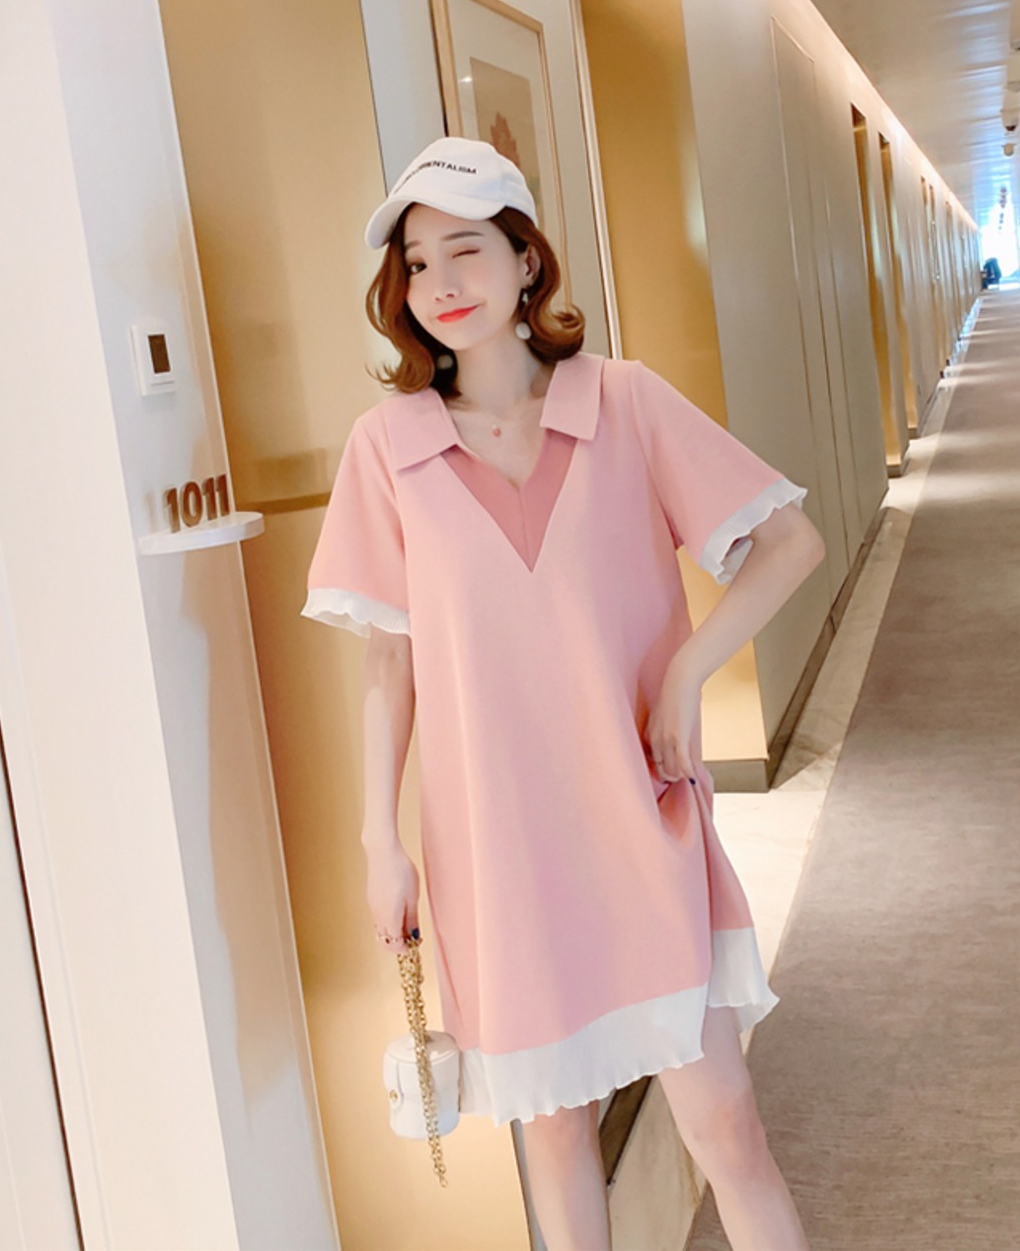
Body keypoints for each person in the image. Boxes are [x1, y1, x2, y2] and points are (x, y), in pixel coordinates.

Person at [302, 136, 820, 1250]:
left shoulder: (623, 403)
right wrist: (378, 841)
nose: (440, 282)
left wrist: (687, 669)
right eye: (416, 263)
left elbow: (790, 543)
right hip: (497, 851)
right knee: (553, 1143)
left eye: (466, 250)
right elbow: (388, 663)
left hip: (640, 820)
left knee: (725, 1124)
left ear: (525, 260)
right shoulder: (385, 450)